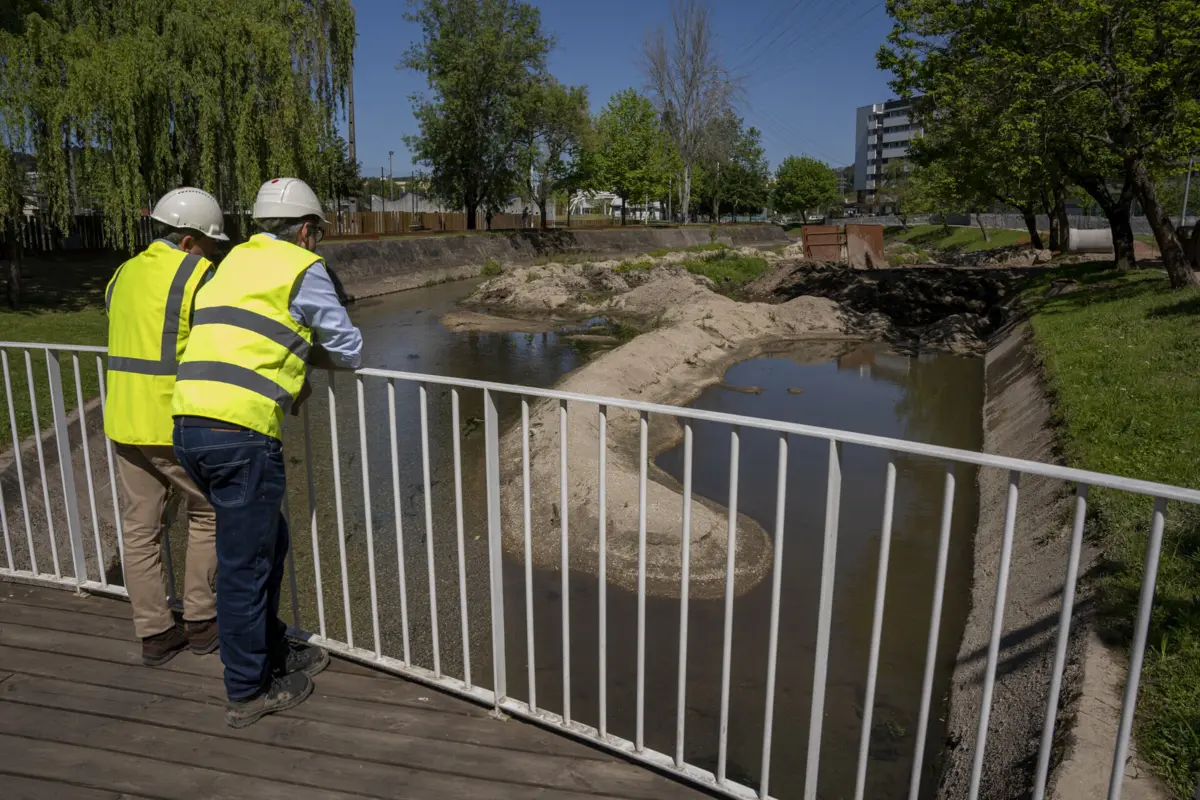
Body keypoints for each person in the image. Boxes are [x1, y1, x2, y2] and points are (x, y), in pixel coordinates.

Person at [172, 177, 363, 728]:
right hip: (240, 434)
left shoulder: (227, 263)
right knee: (245, 566)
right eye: (317, 233)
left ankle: (274, 648)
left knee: (266, 544)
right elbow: (349, 349)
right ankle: (248, 690)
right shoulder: (303, 269)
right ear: (306, 230)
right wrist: (304, 352)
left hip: (189, 425)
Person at [105, 187, 226, 666]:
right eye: (211, 243)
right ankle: (202, 621)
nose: (213, 251)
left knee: (140, 529)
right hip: (172, 420)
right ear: (190, 240)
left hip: (122, 420)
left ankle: (155, 633)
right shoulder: (200, 275)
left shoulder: (122, 273)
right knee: (211, 511)